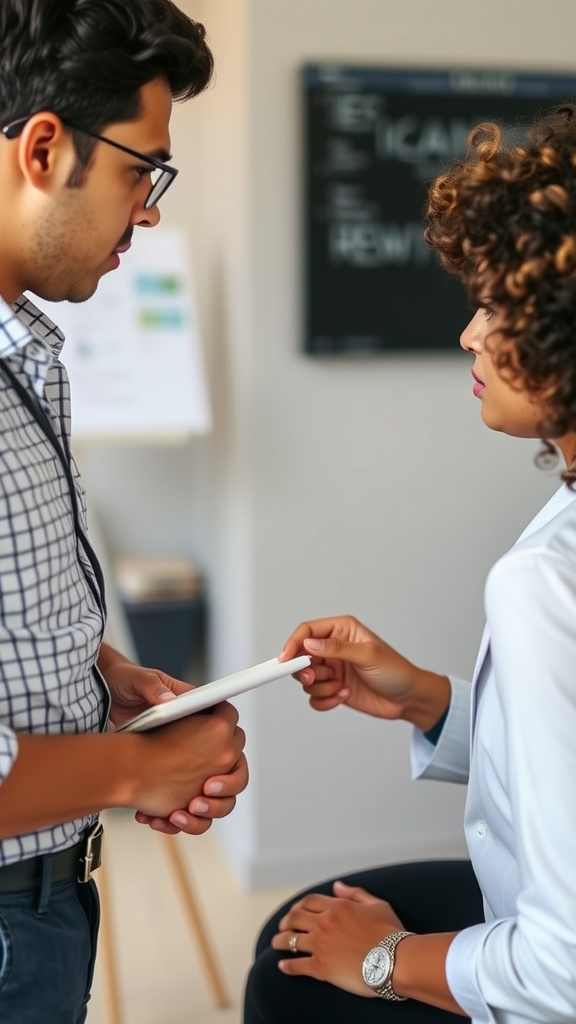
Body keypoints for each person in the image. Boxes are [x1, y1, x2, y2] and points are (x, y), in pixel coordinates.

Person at [244, 104, 576, 1024]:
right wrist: (431, 700)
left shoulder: (542, 579)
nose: (470, 335)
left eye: (499, 307)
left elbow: (566, 966)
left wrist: (389, 959)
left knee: (289, 974)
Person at [0, 3, 248, 1022]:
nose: (148, 212)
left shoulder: (27, 356)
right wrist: (144, 769)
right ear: (46, 147)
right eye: (142, 170)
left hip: (46, 906)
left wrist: (99, 676)